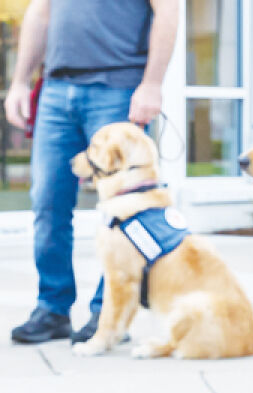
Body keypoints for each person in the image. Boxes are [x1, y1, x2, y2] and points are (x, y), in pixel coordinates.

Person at [5, 0, 177, 345]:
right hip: (55, 88)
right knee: (47, 202)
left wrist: (153, 83)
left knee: (125, 210)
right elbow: (40, 13)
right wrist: (20, 82)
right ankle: (52, 308)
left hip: (118, 86)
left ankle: (109, 313)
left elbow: (168, 11)